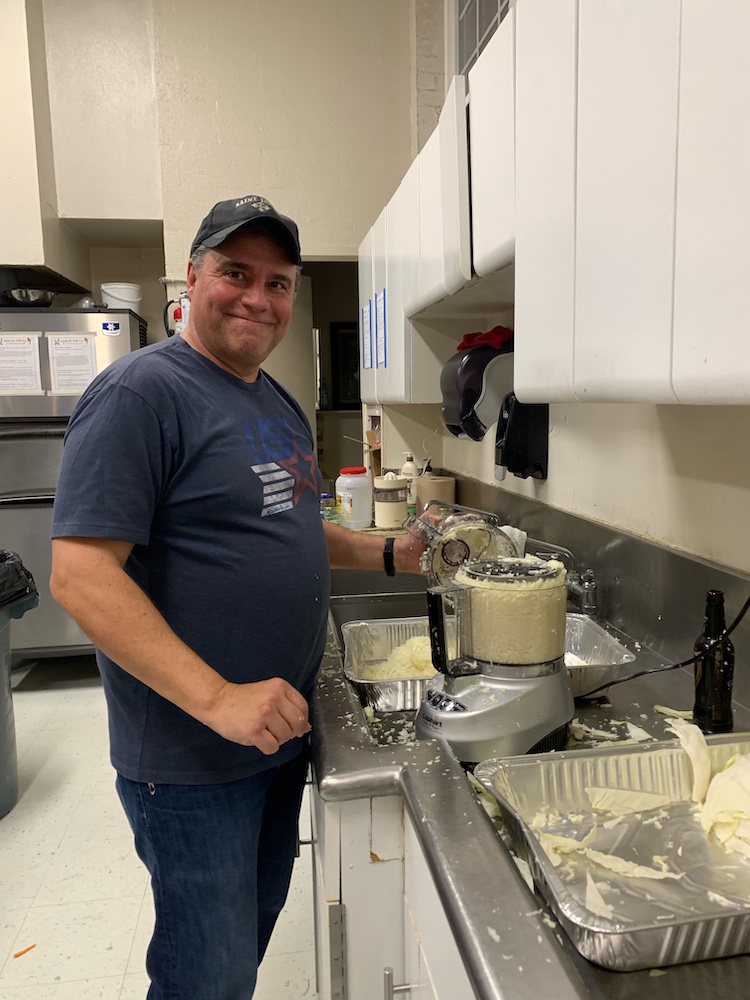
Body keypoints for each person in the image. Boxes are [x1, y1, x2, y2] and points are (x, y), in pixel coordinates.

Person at [49, 195, 424, 1000]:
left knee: (240, 951)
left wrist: (391, 553)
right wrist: (219, 698)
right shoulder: (140, 395)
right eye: (235, 273)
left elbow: (291, 524)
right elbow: (81, 575)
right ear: (192, 278)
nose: (258, 297)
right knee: (205, 978)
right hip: (192, 760)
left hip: (273, 735)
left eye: (277, 282)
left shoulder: (271, 398)